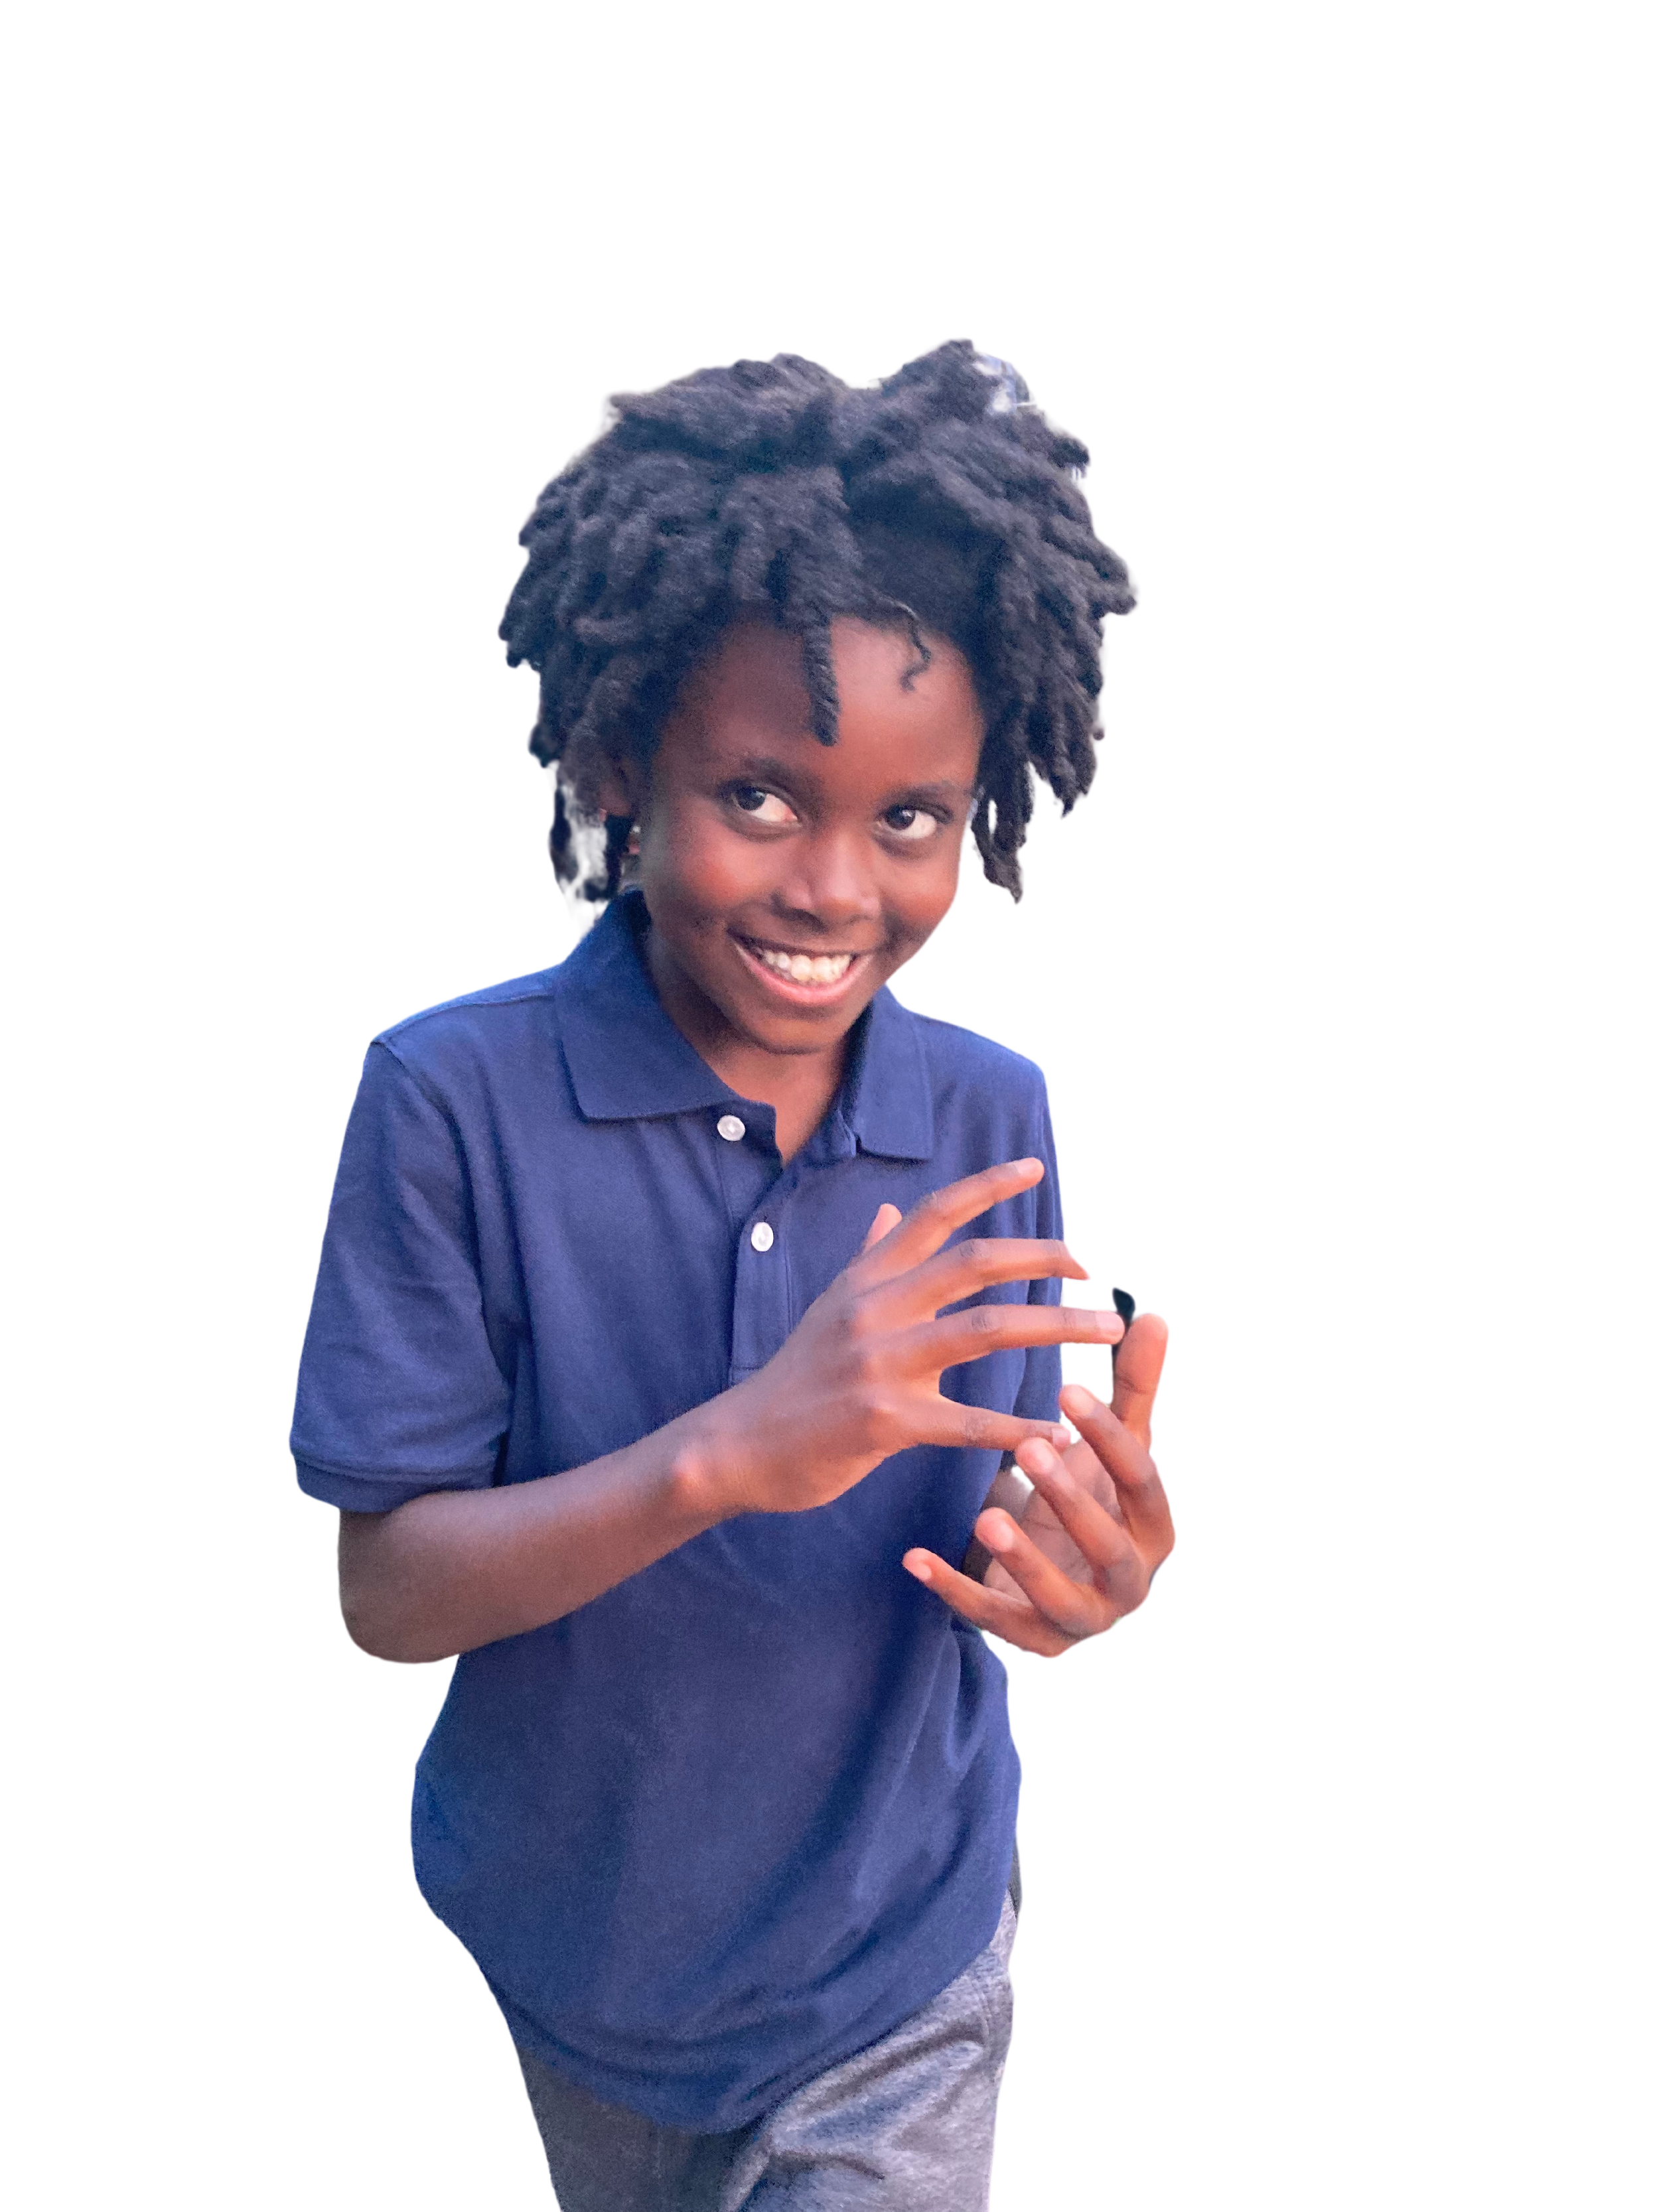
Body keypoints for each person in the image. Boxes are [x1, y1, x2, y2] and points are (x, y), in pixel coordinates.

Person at [287, 339, 1177, 2210]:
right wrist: (727, 1454)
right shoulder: (447, 1096)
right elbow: (384, 1594)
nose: (834, 889)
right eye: (761, 796)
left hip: (897, 1965)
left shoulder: (993, 1114)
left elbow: (1012, 1574)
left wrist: (1099, 1601)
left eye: (908, 820)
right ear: (627, 762)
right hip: (584, 1964)